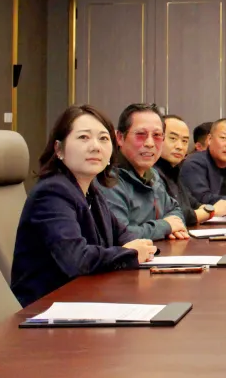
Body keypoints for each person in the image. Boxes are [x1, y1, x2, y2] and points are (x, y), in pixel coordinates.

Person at [10, 105, 157, 307]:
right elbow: (76, 260)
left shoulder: (91, 191)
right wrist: (130, 253)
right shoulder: (52, 192)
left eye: (103, 138)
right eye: (83, 137)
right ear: (59, 149)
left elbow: (124, 237)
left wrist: (140, 248)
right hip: (46, 308)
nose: (95, 146)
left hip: (84, 299)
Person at [97, 104, 187, 241]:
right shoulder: (108, 178)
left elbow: (175, 210)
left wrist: (171, 226)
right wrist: (166, 227)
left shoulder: (152, 174)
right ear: (120, 137)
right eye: (140, 134)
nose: (150, 143)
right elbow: (120, 235)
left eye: (157, 135)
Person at [156, 114, 226, 227]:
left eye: (184, 141)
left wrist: (212, 208)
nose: (180, 146)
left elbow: (192, 202)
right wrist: (212, 211)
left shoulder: (173, 170)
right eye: (173, 138)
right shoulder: (152, 172)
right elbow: (173, 215)